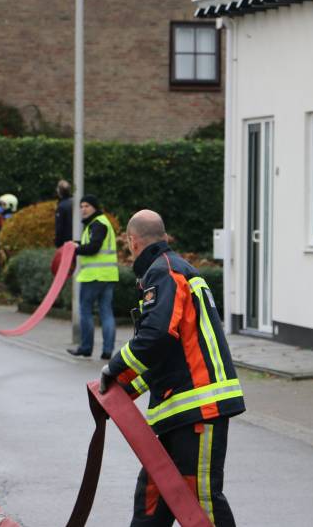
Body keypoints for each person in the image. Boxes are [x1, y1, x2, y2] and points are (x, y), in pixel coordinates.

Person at [98, 210, 245, 527]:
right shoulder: (167, 270)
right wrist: (122, 391)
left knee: (201, 500)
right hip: (179, 409)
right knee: (153, 495)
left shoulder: (164, 272)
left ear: (132, 241)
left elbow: (156, 336)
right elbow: (166, 349)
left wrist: (114, 369)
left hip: (199, 407)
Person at [67, 194, 117, 359]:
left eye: (87, 206)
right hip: (108, 275)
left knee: (86, 311)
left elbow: (94, 247)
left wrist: (75, 248)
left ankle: (86, 347)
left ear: (95, 207)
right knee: (106, 313)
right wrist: (78, 244)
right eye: (81, 206)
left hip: (93, 276)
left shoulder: (97, 224)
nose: (83, 209)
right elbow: (94, 244)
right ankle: (107, 351)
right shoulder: (102, 223)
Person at [54, 179, 73, 247]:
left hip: (66, 243)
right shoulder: (75, 203)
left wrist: (58, 243)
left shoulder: (61, 207)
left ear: (59, 191)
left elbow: (59, 227)